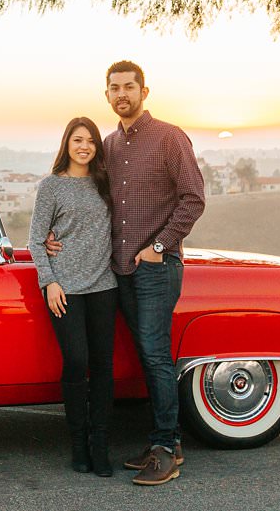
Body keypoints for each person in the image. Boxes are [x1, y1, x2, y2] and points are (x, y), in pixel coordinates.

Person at [50, 60, 204, 485]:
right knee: (142, 355)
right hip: (117, 273)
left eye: (129, 87)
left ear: (144, 91)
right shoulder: (110, 146)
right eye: (114, 88)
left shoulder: (170, 138)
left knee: (155, 355)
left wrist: (158, 248)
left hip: (156, 269)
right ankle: (160, 438)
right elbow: (90, 204)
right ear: (107, 96)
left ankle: (167, 448)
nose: (122, 94)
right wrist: (53, 237)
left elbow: (193, 199)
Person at [29, 116, 119, 476]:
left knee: (102, 367)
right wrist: (49, 281)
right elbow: (36, 239)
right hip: (64, 289)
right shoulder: (51, 186)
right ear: (67, 143)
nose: (84, 146)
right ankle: (77, 443)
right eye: (78, 140)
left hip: (104, 286)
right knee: (76, 362)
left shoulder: (105, 183)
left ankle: (100, 446)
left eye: (91, 141)